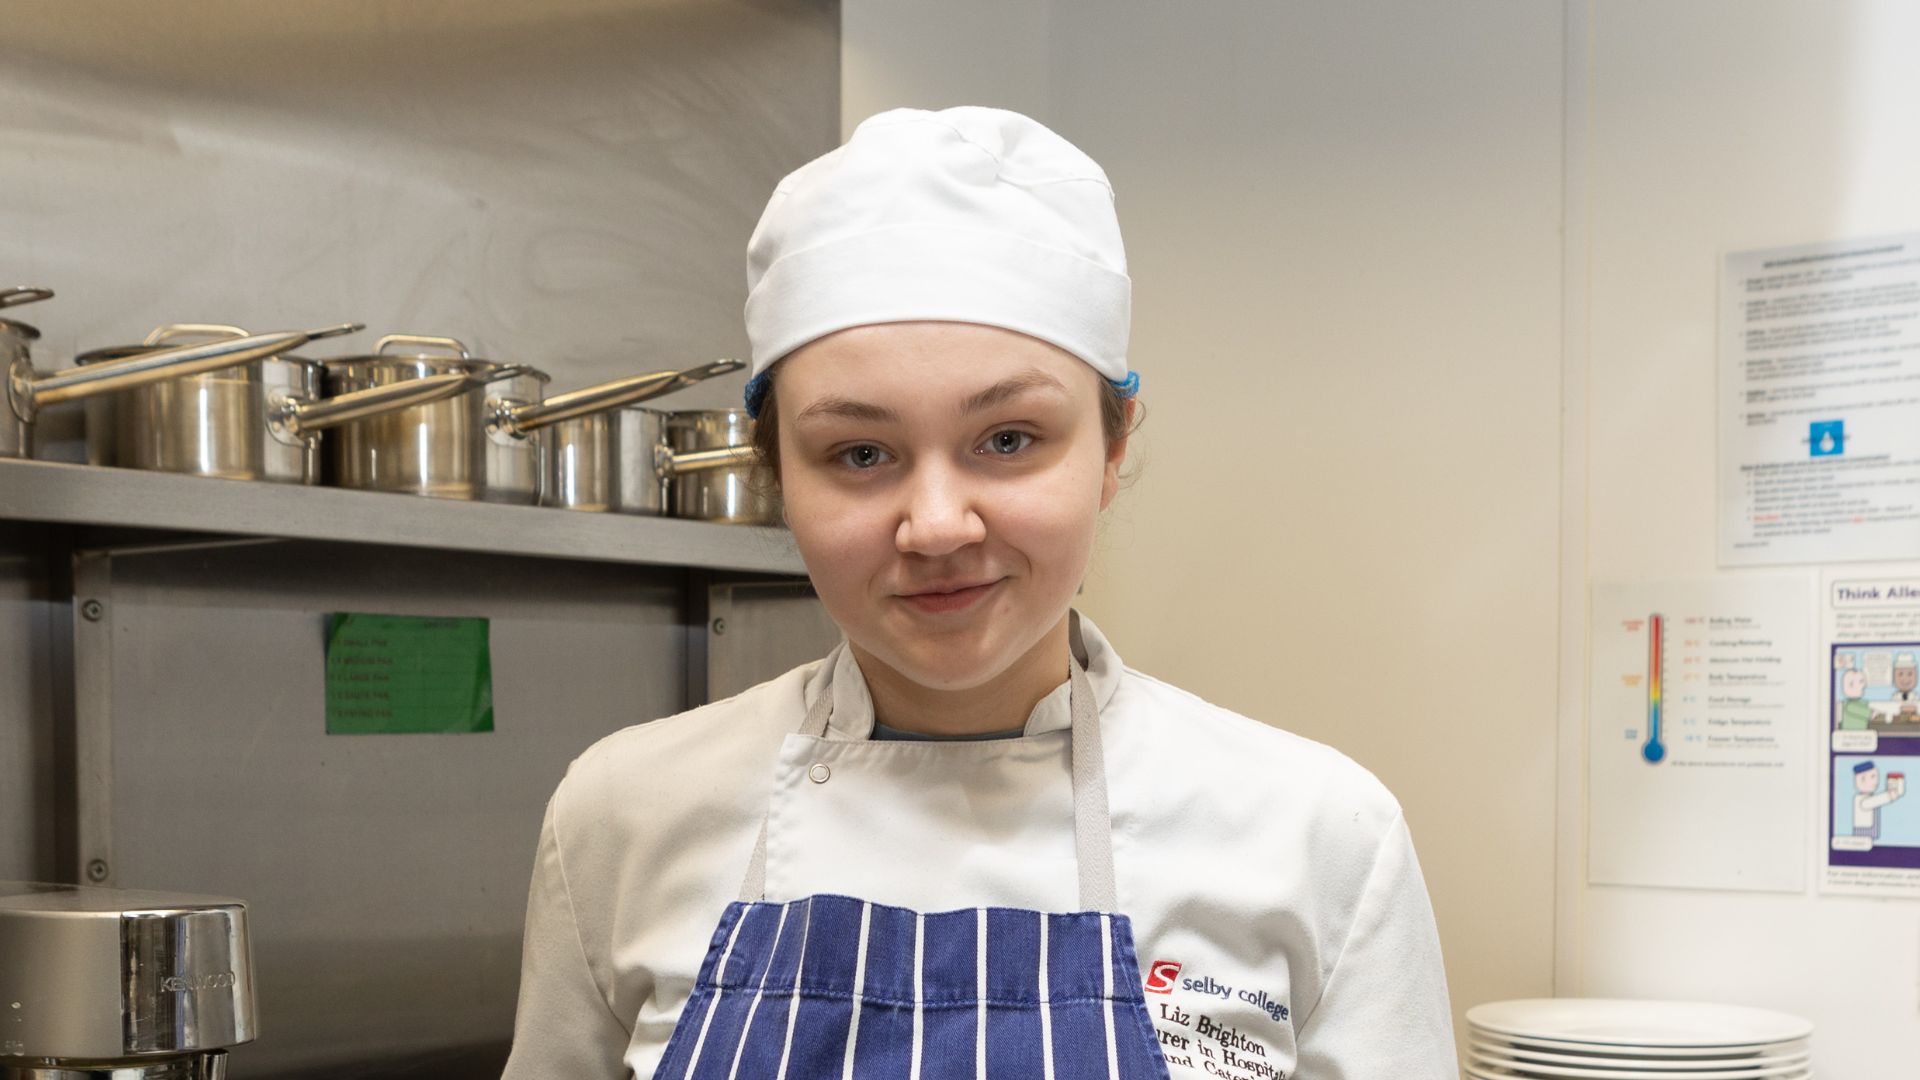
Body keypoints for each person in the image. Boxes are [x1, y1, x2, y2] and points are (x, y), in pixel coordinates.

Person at [503, 106, 1456, 1079]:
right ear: (779, 477)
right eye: (860, 453)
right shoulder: (626, 816)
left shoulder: (1319, 836)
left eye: (1008, 440)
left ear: (1110, 450)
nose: (938, 526)